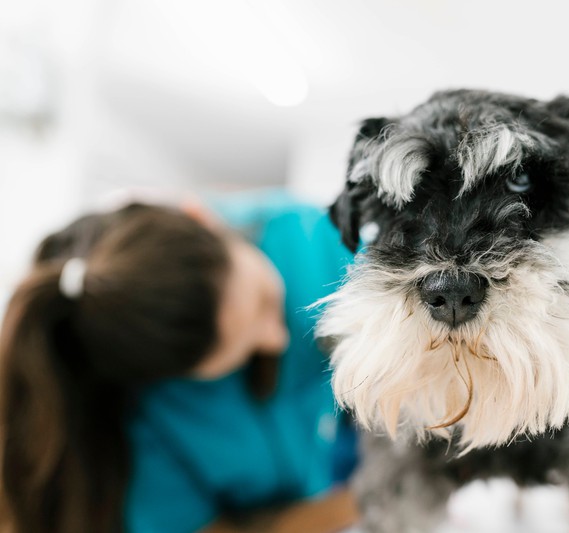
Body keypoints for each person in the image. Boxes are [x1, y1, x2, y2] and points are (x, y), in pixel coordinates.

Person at [0, 190, 358, 533]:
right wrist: (366, 501)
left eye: (265, 302)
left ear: (201, 218)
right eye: (238, 354)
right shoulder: (140, 428)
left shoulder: (308, 237)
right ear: (169, 378)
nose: (276, 339)